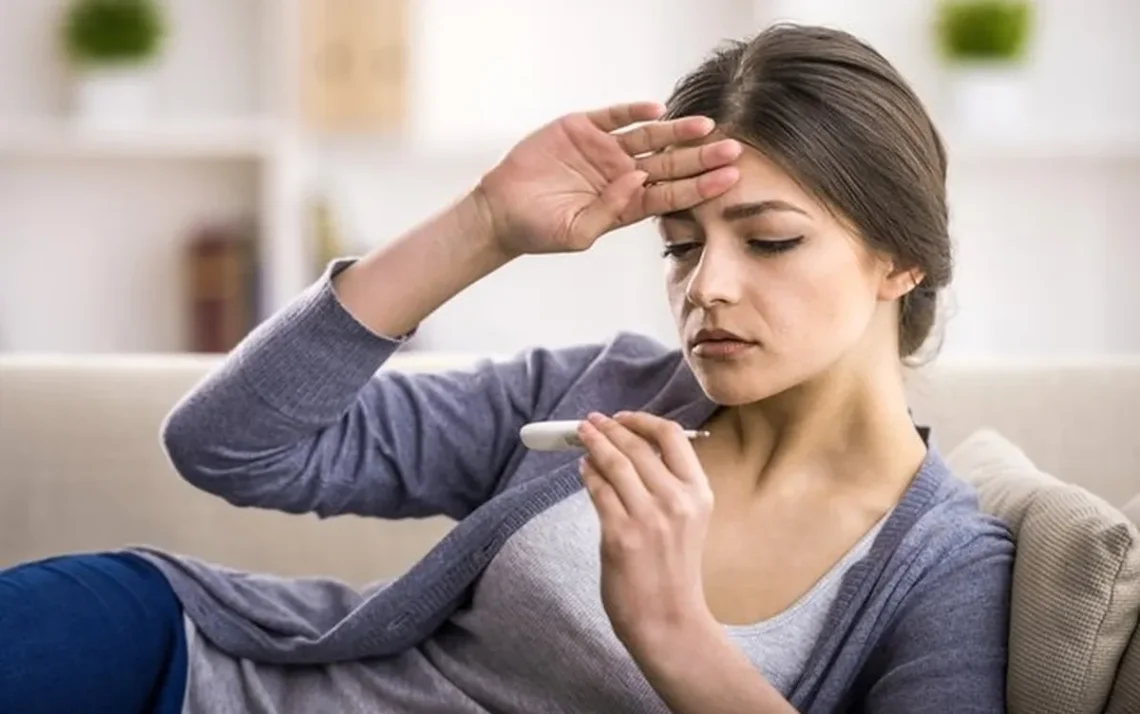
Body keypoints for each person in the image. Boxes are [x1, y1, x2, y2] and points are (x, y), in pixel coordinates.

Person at [0, 23, 1013, 714]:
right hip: (191, 669)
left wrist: (673, 630)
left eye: (771, 242)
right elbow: (230, 446)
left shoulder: (944, 564)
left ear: (899, 256)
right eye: (680, 245)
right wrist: (485, 224)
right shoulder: (599, 395)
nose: (708, 286)